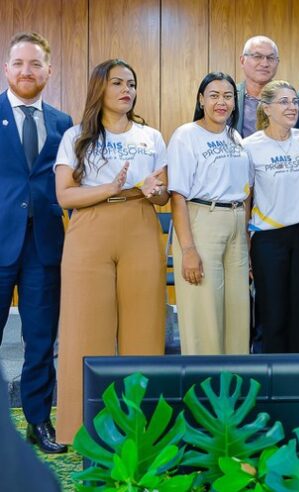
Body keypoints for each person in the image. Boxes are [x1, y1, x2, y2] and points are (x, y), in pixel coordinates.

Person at [54, 59, 168, 444]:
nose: (126, 90)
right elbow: (64, 195)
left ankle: (142, 431)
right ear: (100, 88)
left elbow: (164, 194)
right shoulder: (76, 136)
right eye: (118, 82)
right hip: (89, 230)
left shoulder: (151, 136)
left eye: (132, 84)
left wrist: (155, 191)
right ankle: (80, 429)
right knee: (85, 330)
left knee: (145, 331)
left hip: (140, 226)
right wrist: (111, 188)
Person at [0, 31, 72, 454]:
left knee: (40, 340)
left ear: (49, 70)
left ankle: (38, 421)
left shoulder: (64, 123)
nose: (27, 71)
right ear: (7, 68)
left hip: (45, 246)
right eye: (19, 63)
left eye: (36, 64)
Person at [168, 72, 251, 355]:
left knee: (238, 315)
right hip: (202, 221)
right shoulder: (186, 135)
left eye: (228, 96)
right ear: (201, 99)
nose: (221, 102)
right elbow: (177, 195)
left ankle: (233, 390)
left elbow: (245, 189)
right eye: (214, 95)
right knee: (204, 315)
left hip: (237, 223)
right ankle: (204, 391)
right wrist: (188, 249)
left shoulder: (235, 136)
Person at [242, 80, 299, 353]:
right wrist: (246, 244)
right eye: (284, 102)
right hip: (267, 239)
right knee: (272, 314)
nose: (292, 107)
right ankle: (272, 382)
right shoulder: (250, 146)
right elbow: (246, 199)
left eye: (295, 102)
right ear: (266, 108)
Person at [236, 36, 299, 138]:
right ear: (242, 60)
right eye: (257, 56)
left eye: (270, 58)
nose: (265, 63)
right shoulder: (228, 97)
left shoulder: (297, 101)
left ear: (277, 62)